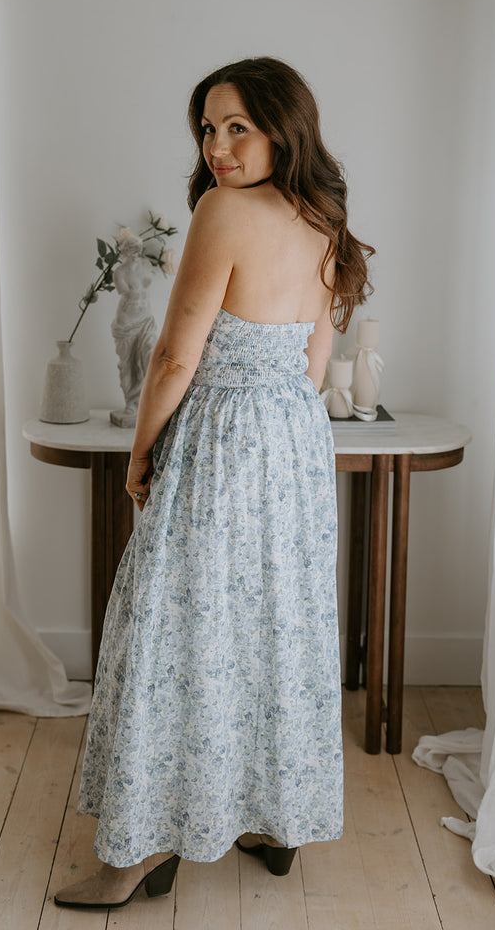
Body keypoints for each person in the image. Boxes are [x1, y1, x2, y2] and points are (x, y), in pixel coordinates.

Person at [54, 56, 373, 910]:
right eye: (207, 128)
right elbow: (315, 363)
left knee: (176, 629)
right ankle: (270, 820)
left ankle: (141, 847)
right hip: (292, 443)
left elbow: (173, 355)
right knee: (274, 624)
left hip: (223, 437)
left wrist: (140, 454)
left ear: (282, 130)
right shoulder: (322, 216)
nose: (218, 146)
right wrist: (279, 427)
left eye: (238, 127)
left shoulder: (221, 211)